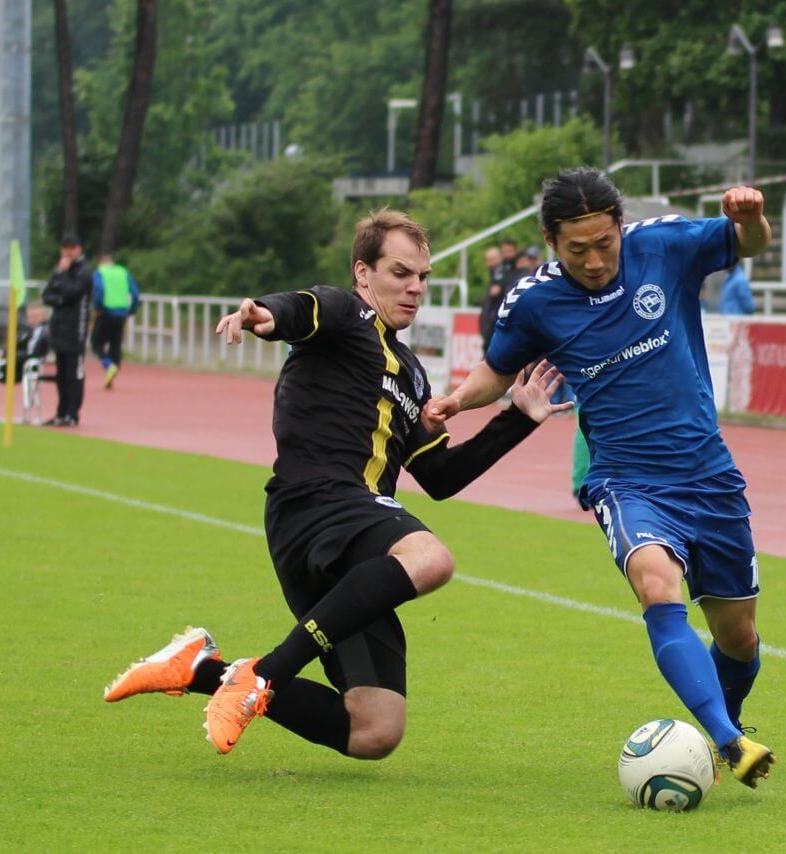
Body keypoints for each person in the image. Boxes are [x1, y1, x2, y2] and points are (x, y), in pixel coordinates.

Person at [102, 209, 572, 762]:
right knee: (431, 558)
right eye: (400, 272)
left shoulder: (412, 373)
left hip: (352, 539)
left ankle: (203, 669)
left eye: (422, 276)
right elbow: (299, 311)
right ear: (363, 273)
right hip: (320, 504)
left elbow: (441, 479)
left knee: (375, 731)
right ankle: (267, 674)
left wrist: (517, 418)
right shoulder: (347, 313)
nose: (415, 287)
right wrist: (261, 315)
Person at [424, 168, 777, 788]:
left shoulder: (664, 245)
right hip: (624, 478)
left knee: (740, 637)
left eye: (604, 243)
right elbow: (498, 370)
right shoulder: (533, 301)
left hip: (707, 472)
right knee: (655, 584)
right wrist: (458, 399)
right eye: (576, 249)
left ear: (621, 225)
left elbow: (746, 245)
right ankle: (728, 740)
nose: (593, 260)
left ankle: (728, 723)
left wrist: (749, 219)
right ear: (550, 240)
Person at [41, 233, 92, 426]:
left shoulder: (84, 271)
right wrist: (60, 296)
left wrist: (62, 277)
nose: (68, 252)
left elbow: (72, 293)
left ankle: (72, 413)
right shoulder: (60, 270)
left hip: (75, 330)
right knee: (61, 374)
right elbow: (47, 295)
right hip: (59, 328)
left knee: (74, 374)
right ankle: (61, 412)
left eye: (72, 248)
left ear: (79, 249)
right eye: (65, 248)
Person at [91, 253, 140, 390]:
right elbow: (135, 293)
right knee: (115, 344)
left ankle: (108, 365)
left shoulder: (100, 272)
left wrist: (97, 307)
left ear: (101, 263)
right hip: (121, 314)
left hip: (105, 312)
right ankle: (113, 369)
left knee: (96, 342)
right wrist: (132, 310)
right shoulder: (123, 272)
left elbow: (99, 290)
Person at [479, 246, 504, 354]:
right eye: (488, 260)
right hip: (489, 330)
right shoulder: (494, 276)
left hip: (495, 330)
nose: (490, 263)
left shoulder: (502, 275)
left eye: (493, 259)